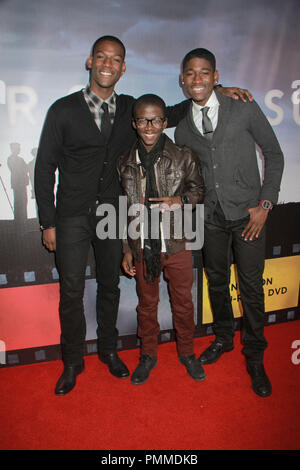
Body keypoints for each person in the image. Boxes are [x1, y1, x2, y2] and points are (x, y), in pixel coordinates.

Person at [34, 35, 252, 396]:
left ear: (123, 68)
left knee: (109, 287)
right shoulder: (62, 109)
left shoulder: (130, 108)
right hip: (71, 213)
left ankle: (108, 352)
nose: (107, 64)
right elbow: (44, 169)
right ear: (90, 63)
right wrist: (48, 221)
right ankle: (73, 361)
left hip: (110, 213)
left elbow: (173, 111)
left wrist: (218, 88)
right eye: (101, 57)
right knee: (71, 290)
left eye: (115, 59)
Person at [175, 48, 284, 397]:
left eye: (204, 72)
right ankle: (224, 338)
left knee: (251, 289)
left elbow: (274, 153)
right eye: (190, 73)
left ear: (216, 76)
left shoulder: (243, 107)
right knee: (217, 283)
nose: (197, 79)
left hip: (249, 216)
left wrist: (265, 204)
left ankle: (255, 355)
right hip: (211, 220)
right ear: (182, 80)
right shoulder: (182, 128)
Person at [118, 94, 206, 385]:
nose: (150, 125)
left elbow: (199, 192)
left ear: (165, 122)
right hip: (144, 246)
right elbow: (123, 210)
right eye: (143, 119)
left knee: (183, 303)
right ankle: (148, 355)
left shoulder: (184, 155)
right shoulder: (124, 162)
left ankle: (187, 353)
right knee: (147, 305)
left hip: (178, 243)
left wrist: (179, 200)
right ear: (134, 123)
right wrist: (127, 249)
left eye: (156, 119)